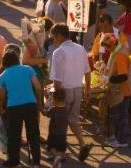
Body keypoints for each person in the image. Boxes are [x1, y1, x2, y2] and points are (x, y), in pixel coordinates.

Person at [48, 22, 92, 162]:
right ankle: (82, 144)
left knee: (58, 123)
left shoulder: (58, 52)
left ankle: (58, 152)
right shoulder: (80, 48)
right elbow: (87, 71)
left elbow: (57, 79)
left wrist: (54, 95)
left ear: (59, 36)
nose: (53, 40)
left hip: (63, 91)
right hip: (78, 89)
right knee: (73, 120)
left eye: (53, 37)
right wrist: (88, 89)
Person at [0, 50, 42, 168]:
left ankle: (14, 161)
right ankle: (36, 162)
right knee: (33, 134)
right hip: (30, 105)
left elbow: (1, 95)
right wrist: (38, 103)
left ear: (4, 62)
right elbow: (37, 87)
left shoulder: (3, 75)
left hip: (13, 107)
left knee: (14, 135)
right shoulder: (28, 69)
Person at [102, 33, 131, 148]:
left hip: (123, 91)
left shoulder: (120, 55)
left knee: (121, 117)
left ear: (112, 45)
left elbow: (123, 76)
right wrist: (104, 68)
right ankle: (117, 138)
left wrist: (108, 78)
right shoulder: (115, 52)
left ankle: (122, 140)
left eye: (107, 47)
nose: (106, 49)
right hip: (118, 90)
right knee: (118, 116)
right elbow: (114, 69)